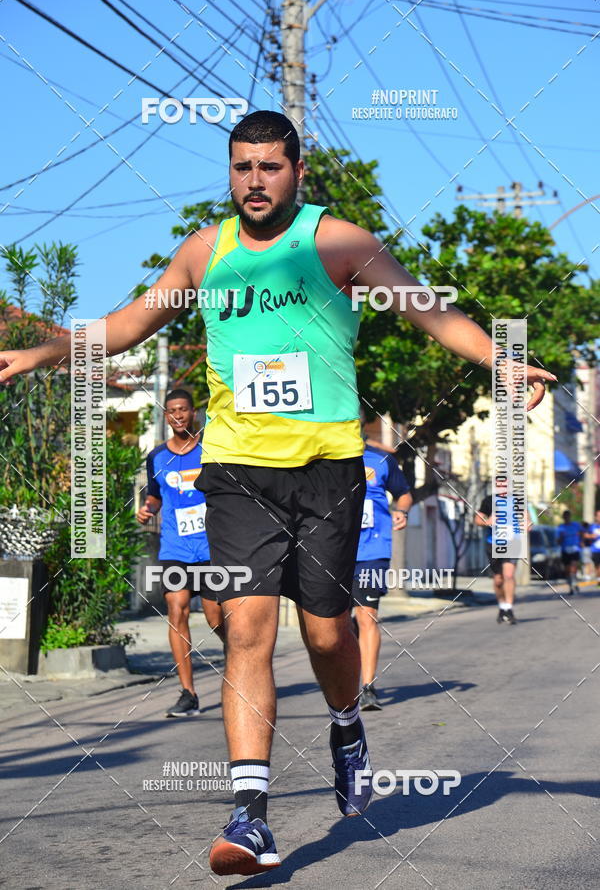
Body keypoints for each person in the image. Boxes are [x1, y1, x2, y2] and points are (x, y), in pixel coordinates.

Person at [0, 111, 555, 877]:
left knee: (328, 637)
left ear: (298, 169)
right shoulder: (204, 252)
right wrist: (44, 351)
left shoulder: (340, 243)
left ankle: (348, 725)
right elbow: (129, 323)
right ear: (228, 172)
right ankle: (251, 817)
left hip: (327, 471)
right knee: (248, 631)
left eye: (269, 167)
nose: (253, 181)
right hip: (235, 473)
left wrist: (504, 358)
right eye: (240, 167)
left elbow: (429, 310)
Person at [136, 389, 224, 716]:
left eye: (183, 409)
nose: (177, 415)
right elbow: (155, 495)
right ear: (166, 416)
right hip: (175, 547)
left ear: (193, 413)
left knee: (216, 617)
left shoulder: (210, 449)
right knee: (177, 610)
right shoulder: (157, 457)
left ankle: (242, 662)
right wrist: (147, 508)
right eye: (171, 411)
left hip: (211, 546)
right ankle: (188, 693)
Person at [352, 437, 412, 711]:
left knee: (367, 617)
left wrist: (401, 511)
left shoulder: (381, 460)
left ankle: (367, 687)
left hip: (373, 550)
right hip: (331, 550)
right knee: (336, 624)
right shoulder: (319, 455)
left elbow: (404, 493)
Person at [474, 483, 532, 624]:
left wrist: (527, 524)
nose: (502, 488)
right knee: (498, 579)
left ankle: (509, 609)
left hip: (513, 543)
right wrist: (487, 521)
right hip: (494, 544)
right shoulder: (488, 501)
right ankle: (502, 606)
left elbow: (527, 520)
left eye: (504, 485)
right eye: (499, 485)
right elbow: (477, 520)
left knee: (509, 575)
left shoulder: (518, 500)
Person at [556, 510, 583, 595]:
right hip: (565, 549)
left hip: (575, 548)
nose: (567, 518)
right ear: (563, 517)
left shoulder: (576, 525)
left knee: (573, 566)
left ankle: (574, 582)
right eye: (565, 516)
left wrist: (581, 541)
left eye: (568, 516)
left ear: (570, 517)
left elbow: (582, 532)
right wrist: (561, 538)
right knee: (567, 569)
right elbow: (558, 540)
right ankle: (571, 585)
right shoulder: (560, 527)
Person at [583, 510, 600, 584]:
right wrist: (591, 536)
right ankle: (598, 578)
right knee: (597, 565)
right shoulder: (592, 526)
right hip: (595, 550)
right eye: (598, 516)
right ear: (596, 517)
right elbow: (585, 535)